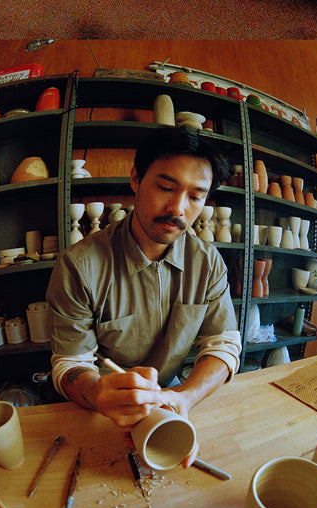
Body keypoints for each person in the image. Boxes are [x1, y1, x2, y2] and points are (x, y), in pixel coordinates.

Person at [47, 127, 242, 464]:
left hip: (173, 399)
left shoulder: (208, 263)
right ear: (136, 179)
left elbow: (223, 343)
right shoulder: (79, 265)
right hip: (100, 407)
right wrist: (96, 392)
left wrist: (185, 396)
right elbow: (70, 363)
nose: (178, 207)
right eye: (166, 187)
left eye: (196, 196)